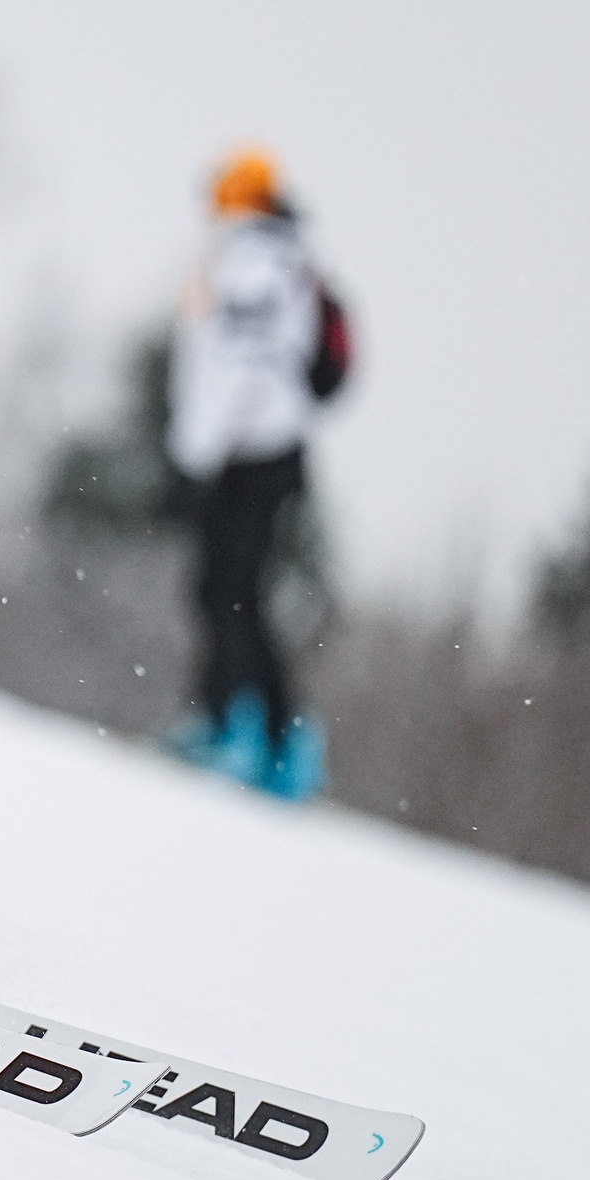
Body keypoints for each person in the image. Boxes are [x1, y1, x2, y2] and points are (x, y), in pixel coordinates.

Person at [166, 148, 350, 802]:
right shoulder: (289, 261)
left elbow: (232, 373)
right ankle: (269, 734)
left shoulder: (248, 262)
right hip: (272, 452)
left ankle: (243, 732)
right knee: (236, 591)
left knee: (228, 590)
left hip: (250, 454)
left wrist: (193, 458)